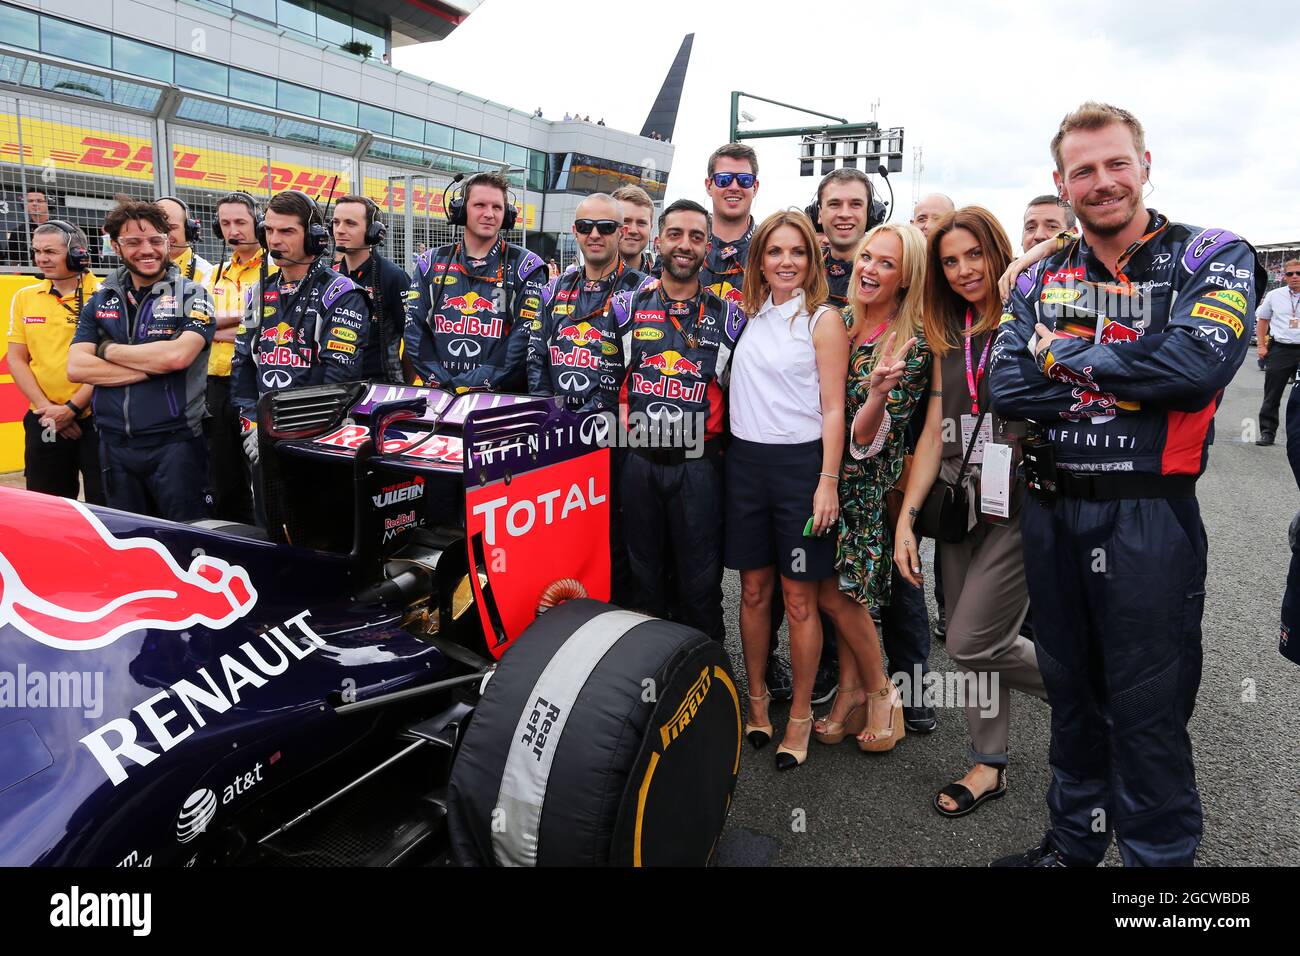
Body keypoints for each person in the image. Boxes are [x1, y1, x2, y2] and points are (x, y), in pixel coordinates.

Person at [991, 103, 1261, 867]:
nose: (1102, 182)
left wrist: (1061, 355)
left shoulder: (1214, 254)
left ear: (1146, 164)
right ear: (1061, 183)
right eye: (1084, 171)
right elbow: (1007, 389)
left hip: (1149, 519)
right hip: (1051, 511)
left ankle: (1156, 868)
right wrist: (1132, 370)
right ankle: (1074, 846)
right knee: (1072, 699)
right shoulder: (1041, 273)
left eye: (1116, 164)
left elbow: (1196, 368)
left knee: (1146, 711)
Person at [894, 206, 1047, 819]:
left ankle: (1098, 698)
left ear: (998, 251)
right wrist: (907, 518)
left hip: (1020, 500)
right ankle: (989, 763)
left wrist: (1032, 259)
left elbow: (1069, 240)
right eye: (950, 261)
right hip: (959, 501)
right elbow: (933, 431)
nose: (963, 271)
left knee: (969, 641)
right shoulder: (946, 330)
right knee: (971, 635)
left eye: (974, 255)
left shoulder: (1031, 309)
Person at [725, 209, 856, 770]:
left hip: (801, 469)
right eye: (774, 252)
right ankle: (757, 701)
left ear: (812, 260)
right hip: (745, 465)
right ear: (760, 260)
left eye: (796, 252)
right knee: (753, 593)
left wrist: (828, 480)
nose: (785, 262)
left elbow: (834, 408)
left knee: (801, 598)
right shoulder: (746, 315)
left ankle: (799, 714)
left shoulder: (823, 319)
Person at [818, 172, 938, 732]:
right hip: (823, 474)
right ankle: (848, 697)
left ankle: (883, 692)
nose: (870, 268)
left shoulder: (909, 342)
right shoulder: (840, 319)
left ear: (907, 276)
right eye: (868, 256)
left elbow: (868, 440)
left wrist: (877, 392)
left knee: (843, 594)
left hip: (863, 485)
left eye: (887, 263)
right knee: (846, 595)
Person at [619, 198, 742, 645]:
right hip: (639, 463)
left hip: (699, 467)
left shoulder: (730, 316)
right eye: (675, 234)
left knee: (699, 586)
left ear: (707, 247)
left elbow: (738, 396)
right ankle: (652, 683)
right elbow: (618, 382)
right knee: (644, 583)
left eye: (695, 237)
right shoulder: (627, 308)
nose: (684, 245)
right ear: (659, 241)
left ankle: (710, 683)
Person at [67, 200, 214, 521]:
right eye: (133, 242)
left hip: (176, 445)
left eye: (155, 240)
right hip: (113, 445)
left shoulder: (193, 294)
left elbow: (177, 357)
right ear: (116, 246)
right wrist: (152, 365)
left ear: (167, 241)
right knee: (128, 545)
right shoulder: (100, 298)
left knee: (185, 543)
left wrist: (106, 351)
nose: (146, 250)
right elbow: (76, 368)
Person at [230, 190, 371, 474]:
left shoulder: (341, 293)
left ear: (313, 237)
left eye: (286, 231)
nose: (274, 240)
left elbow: (338, 381)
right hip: (263, 439)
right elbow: (242, 366)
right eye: (268, 230)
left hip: (317, 440)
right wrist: (252, 424)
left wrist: (285, 431)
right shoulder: (259, 291)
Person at [405, 172, 547, 392]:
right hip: (439, 393)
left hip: (500, 399)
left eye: (497, 207)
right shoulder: (430, 262)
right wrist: (441, 382)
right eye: (480, 205)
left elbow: (524, 336)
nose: (489, 214)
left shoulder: (526, 266)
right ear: (461, 211)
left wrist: (469, 384)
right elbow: (414, 329)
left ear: (507, 214)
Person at [6, 220, 104, 503]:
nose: (41, 259)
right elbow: (17, 358)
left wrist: (72, 409)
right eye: (36, 251)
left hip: (96, 417)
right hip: (44, 417)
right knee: (46, 505)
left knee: (106, 504)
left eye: (50, 251)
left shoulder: (105, 296)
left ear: (77, 253)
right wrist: (49, 411)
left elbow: (109, 361)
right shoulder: (25, 297)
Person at [205, 192, 272, 524]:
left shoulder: (274, 268)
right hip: (215, 387)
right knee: (224, 473)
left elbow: (263, 331)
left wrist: (215, 326)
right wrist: (241, 322)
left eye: (240, 222)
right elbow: (195, 324)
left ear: (258, 223)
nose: (232, 230)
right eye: (225, 223)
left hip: (256, 384)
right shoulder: (213, 274)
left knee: (261, 472)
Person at [332, 194, 411, 383]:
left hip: (381, 390)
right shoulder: (329, 277)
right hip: (337, 387)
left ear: (373, 232)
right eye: (336, 222)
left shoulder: (393, 277)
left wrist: (404, 388)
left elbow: (414, 341)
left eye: (350, 223)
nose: (340, 230)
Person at [1254, 258, 1300, 445]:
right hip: (1281, 349)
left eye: (1299, 273)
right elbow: (1263, 320)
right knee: (1272, 394)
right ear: (1285, 276)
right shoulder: (1274, 295)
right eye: (1290, 274)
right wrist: (1261, 346)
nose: (1295, 277)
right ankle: (1267, 431)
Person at [156, 196, 214, 287]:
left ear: (189, 231)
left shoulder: (207, 274)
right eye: (158, 228)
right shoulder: (141, 269)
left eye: (172, 228)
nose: (165, 236)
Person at [611, 184, 657, 273]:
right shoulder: (579, 281)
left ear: (650, 228)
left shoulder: (661, 283)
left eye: (641, 223)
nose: (633, 230)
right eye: (625, 221)